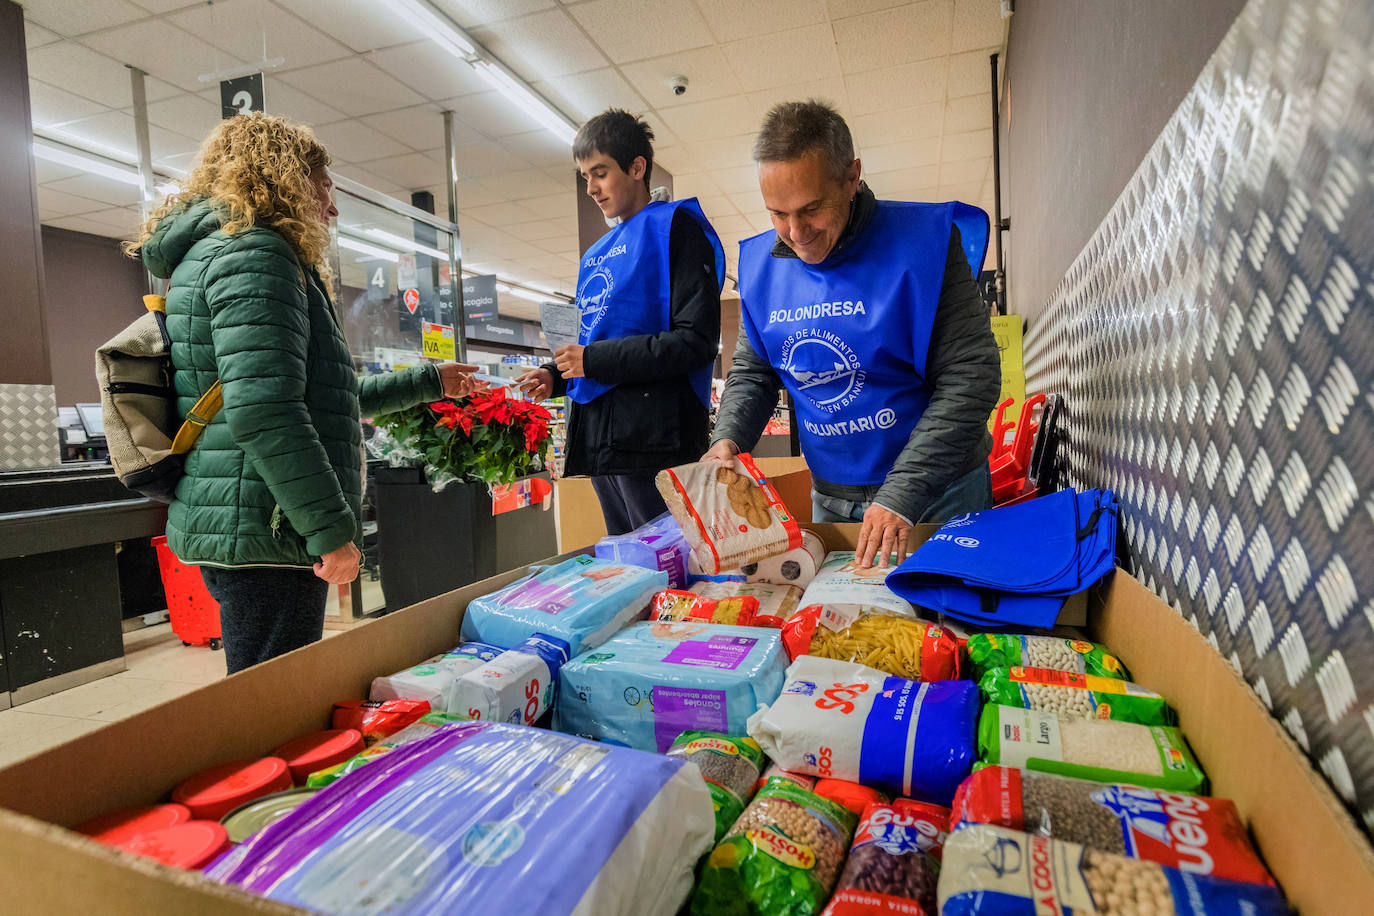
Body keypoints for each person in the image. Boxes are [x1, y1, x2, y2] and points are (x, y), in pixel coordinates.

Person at [127, 113, 482, 673]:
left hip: (252, 516)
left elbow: (327, 398)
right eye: (324, 187)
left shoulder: (225, 254)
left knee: (264, 690)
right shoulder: (255, 255)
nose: (332, 207)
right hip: (267, 524)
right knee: (273, 702)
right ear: (284, 180)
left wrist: (432, 381)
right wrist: (329, 530)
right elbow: (266, 411)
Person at [705, 100, 1000, 569]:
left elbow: (972, 375)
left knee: (939, 631)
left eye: (811, 209)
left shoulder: (926, 244)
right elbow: (755, 371)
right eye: (777, 213)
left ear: (851, 177)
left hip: (937, 492)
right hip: (833, 496)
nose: (796, 233)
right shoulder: (760, 267)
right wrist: (729, 438)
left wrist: (901, 493)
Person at [518, 109, 724, 536]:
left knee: (669, 567)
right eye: (584, 176)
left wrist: (593, 359)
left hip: (654, 439)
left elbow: (695, 342)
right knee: (631, 567)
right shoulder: (595, 254)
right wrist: (554, 376)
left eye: (600, 173)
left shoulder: (676, 229)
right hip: (599, 443)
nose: (590, 188)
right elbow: (591, 341)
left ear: (636, 167)